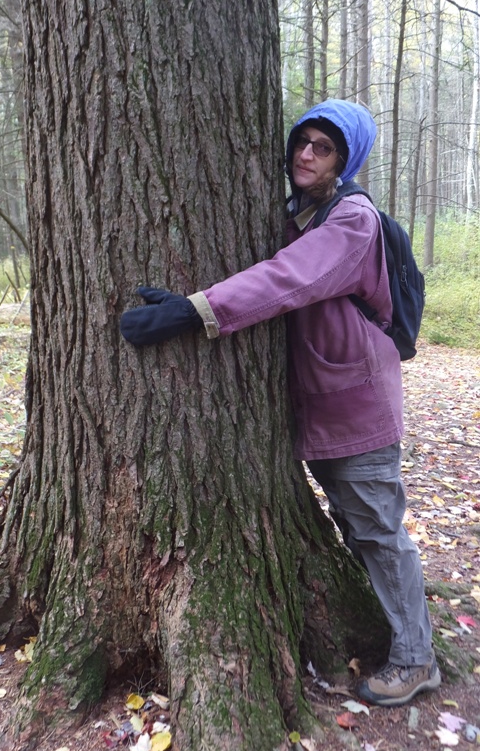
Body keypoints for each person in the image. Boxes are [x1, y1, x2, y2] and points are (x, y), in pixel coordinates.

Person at [120, 98, 440, 708]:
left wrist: (193, 311)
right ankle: (405, 637)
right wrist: (189, 294)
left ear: (347, 161)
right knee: (360, 528)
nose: (306, 153)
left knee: (376, 531)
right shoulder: (306, 216)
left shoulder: (351, 221)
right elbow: (274, 275)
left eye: (323, 147)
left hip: (359, 407)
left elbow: (289, 278)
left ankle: (416, 658)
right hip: (326, 403)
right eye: (302, 142)